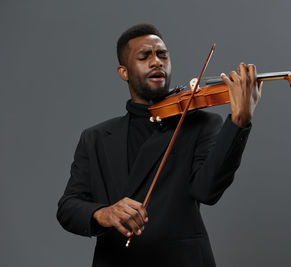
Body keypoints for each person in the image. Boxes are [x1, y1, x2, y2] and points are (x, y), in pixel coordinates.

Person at [57, 23, 262, 267]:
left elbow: (207, 191)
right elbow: (68, 207)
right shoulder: (96, 137)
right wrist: (104, 213)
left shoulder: (201, 124)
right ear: (124, 72)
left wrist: (239, 122)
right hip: (117, 260)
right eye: (144, 56)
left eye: (162, 55)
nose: (157, 62)